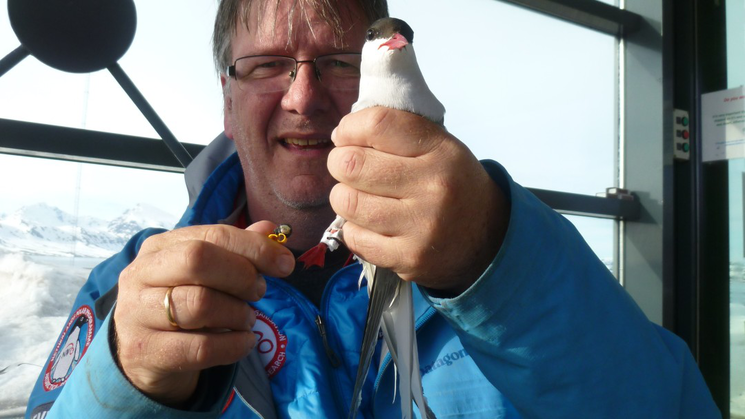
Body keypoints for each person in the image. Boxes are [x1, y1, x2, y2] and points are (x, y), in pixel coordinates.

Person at [26, 0, 720, 418]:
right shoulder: (130, 283)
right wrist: (122, 382)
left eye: (336, 61)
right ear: (226, 100)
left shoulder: (515, 258)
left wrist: (497, 266)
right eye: (268, 64)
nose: (303, 96)